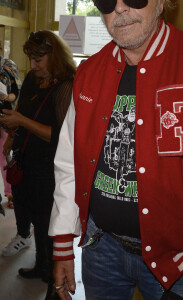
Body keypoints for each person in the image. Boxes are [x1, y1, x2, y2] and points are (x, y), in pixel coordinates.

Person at [49, 1, 183, 300]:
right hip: (101, 248)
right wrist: (62, 242)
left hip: (181, 263)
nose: (120, 9)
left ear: (163, 2)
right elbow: (69, 163)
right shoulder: (88, 72)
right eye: (108, 1)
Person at [0, 30, 76, 300]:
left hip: (50, 167)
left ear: (54, 57)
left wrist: (20, 122)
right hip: (27, 161)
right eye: (30, 59)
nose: (32, 66)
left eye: (38, 60)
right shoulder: (34, 79)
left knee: (48, 227)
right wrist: (11, 137)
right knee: (32, 215)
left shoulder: (66, 85)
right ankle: (42, 266)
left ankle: (54, 284)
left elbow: (61, 136)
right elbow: (23, 111)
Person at [0, 53, 22, 209]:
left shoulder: (8, 66)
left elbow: (16, 93)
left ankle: (10, 193)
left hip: (4, 118)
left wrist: (6, 96)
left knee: (4, 155)